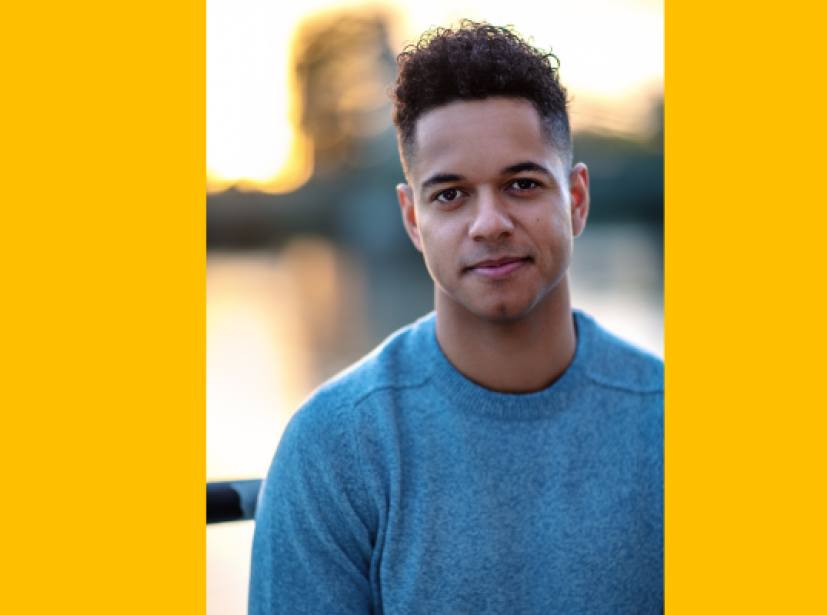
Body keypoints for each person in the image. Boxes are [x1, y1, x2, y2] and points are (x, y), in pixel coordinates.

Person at [249, 20, 662, 614]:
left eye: (522, 184)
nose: (489, 223)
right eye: (450, 194)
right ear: (413, 219)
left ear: (575, 200)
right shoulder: (334, 449)